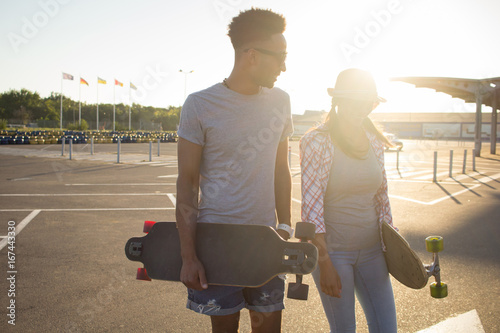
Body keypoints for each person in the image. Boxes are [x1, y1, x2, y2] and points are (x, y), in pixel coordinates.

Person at [176, 8, 293, 333]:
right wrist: (189, 255)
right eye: (280, 57)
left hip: (266, 243)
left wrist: (284, 225)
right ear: (252, 55)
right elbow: (187, 184)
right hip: (217, 246)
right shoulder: (199, 105)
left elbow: (281, 169)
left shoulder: (280, 102)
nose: (284, 66)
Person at [300, 68, 398, 333]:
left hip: (373, 252)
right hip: (334, 255)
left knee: (387, 329)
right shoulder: (316, 141)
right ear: (339, 101)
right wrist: (324, 262)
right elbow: (311, 207)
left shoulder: (375, 141)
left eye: (367, 101)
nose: (362, 107)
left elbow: (382, 198)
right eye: (355, 100)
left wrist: (395, 246)